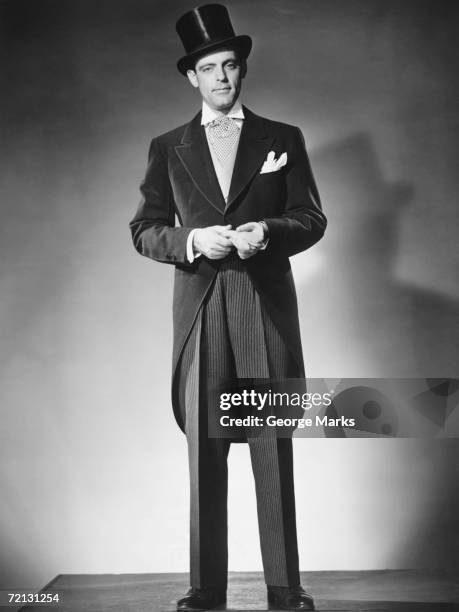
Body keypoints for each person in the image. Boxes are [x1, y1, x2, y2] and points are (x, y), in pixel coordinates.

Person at [129, 4, 327, 610]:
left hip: (260, 300)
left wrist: (265, 231)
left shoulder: (282, 139)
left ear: (241, 71)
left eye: (230, 66)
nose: (221, 78)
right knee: (205, 447)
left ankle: (285, 588)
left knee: (272, 441)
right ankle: (205, 588)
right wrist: (192, 240)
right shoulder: (168, 147)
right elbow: (144, 229)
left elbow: (311, 218)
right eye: (209, 68)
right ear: (192, 76)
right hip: (201, 303)